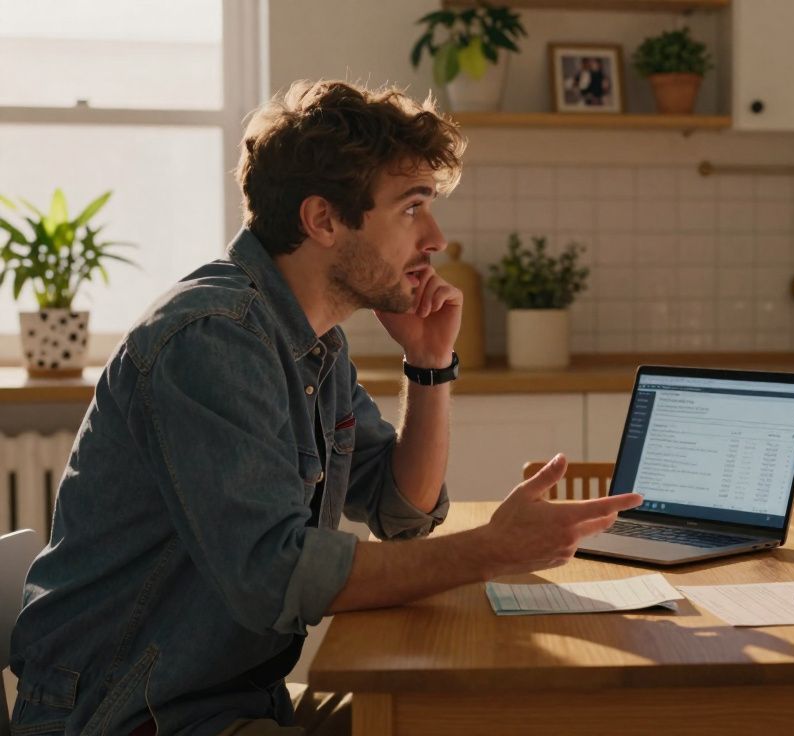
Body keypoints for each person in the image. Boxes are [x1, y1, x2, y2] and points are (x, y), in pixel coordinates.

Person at [7, 80, 642, 736]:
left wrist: (428, 367)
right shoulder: (212, 338)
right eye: (411, 208)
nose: (436, 238)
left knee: (489, 716)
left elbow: (401, 511)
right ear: (323, 220)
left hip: (227, 701)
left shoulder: (311, 343)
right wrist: (491, 549)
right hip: (132, 715)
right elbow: (274, 576)